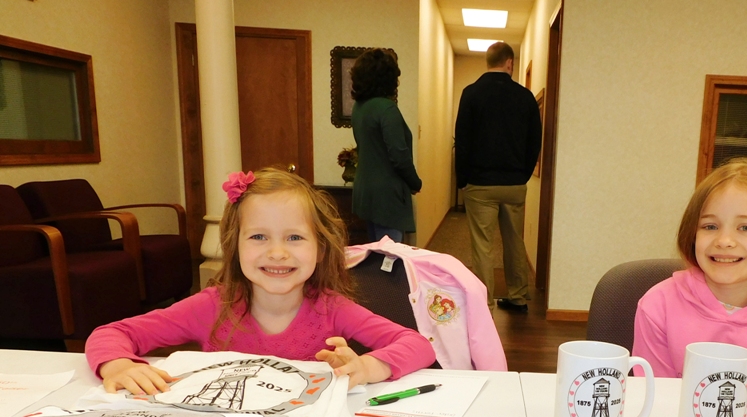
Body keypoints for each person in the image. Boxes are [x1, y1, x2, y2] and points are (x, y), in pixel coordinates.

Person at [87, 168, 435, 395]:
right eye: (258, 237)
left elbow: (418, 345)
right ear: (235, 246)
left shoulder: (333, 309)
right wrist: (118, 365)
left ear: (320, 249)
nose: (277, 253)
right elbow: (111, 334)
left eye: (295, 238)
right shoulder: (210, 306)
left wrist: (367, 366)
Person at [633, 158, 747, 378]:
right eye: (710, 226)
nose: (724, 241)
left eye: (746, 227)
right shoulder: (658, 306)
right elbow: (654, 393)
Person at [455, 41, 542, 313]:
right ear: (510, 63)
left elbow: (462, 140)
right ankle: (518, 296)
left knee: (482, 245)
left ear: (488, 62)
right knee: (515, 241)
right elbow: (535, 142)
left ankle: (485, 303)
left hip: (481, 183)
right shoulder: (525, 97)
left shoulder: (471, 93)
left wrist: (462, 179)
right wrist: (523, 175)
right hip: (514, 183)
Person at [349, 48, 421, 243]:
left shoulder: (359, 108)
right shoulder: (387, 109)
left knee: (376, 249)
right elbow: (399, 155)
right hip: (387, 196)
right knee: (391, 254)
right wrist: (415, 183)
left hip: (365, 190)